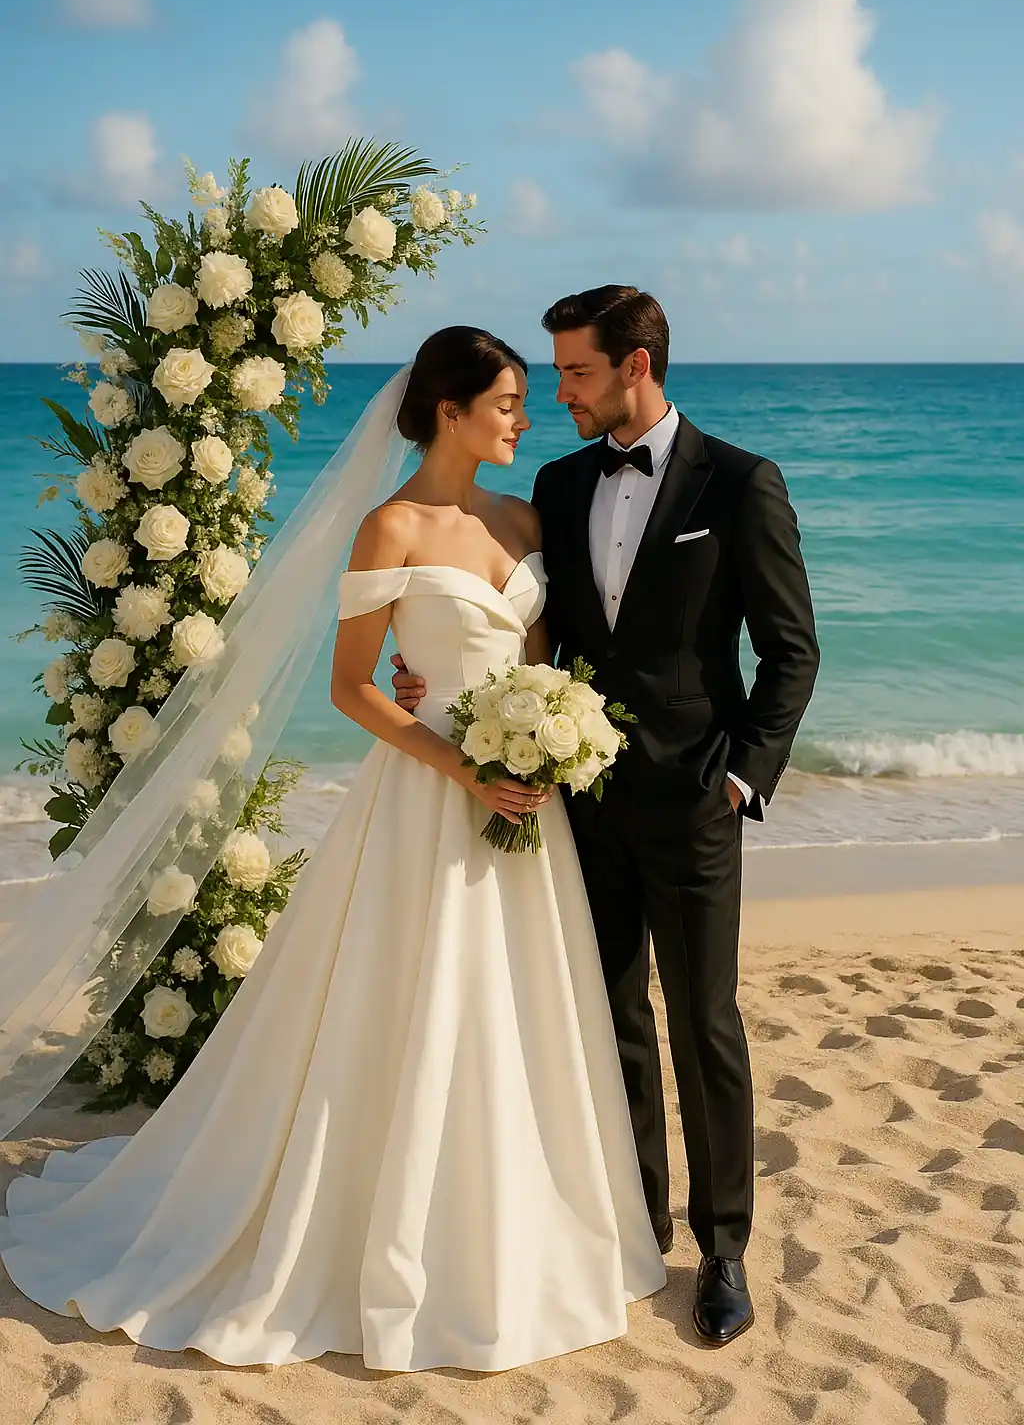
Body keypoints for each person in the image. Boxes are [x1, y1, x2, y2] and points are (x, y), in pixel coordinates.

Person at [0, 327, 666, 1372]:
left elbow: (541, 663)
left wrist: (550, 737)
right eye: (503, 401)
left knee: (520, 1010)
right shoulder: (388, 527)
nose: (520, 419)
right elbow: (352, 685)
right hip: (426, 797)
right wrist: (459, 762)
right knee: (407, 1005)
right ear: (447, 412)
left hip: (521, 805)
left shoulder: (524, 515)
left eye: (524, 401)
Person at [393, 288, 820, 1346]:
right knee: (612, 1015)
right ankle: (637, 1221)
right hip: (578, 805)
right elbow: (534, 636)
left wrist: (743, 775)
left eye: (576, 372)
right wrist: (436, 682)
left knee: (704, 1025)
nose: (560, 394)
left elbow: (791, 648)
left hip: (695, 804)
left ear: (635, 366)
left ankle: (723, 1252)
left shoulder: (739, 482)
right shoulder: (556, 481)